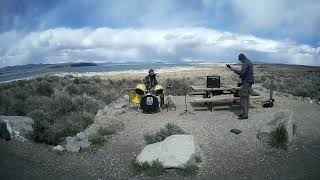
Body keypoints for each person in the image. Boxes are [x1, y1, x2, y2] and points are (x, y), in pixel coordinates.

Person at [227, 53, 254, 120]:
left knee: (243, 98)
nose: (241, 62)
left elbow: (242, 73)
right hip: (249, 82)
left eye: (240, 60)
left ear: (242, 59)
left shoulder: (245, 63)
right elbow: (246, 73)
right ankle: (245, 113)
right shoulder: (249, 61)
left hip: (246, 82)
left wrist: (233, 70)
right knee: (246, 99)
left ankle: (245, 115)